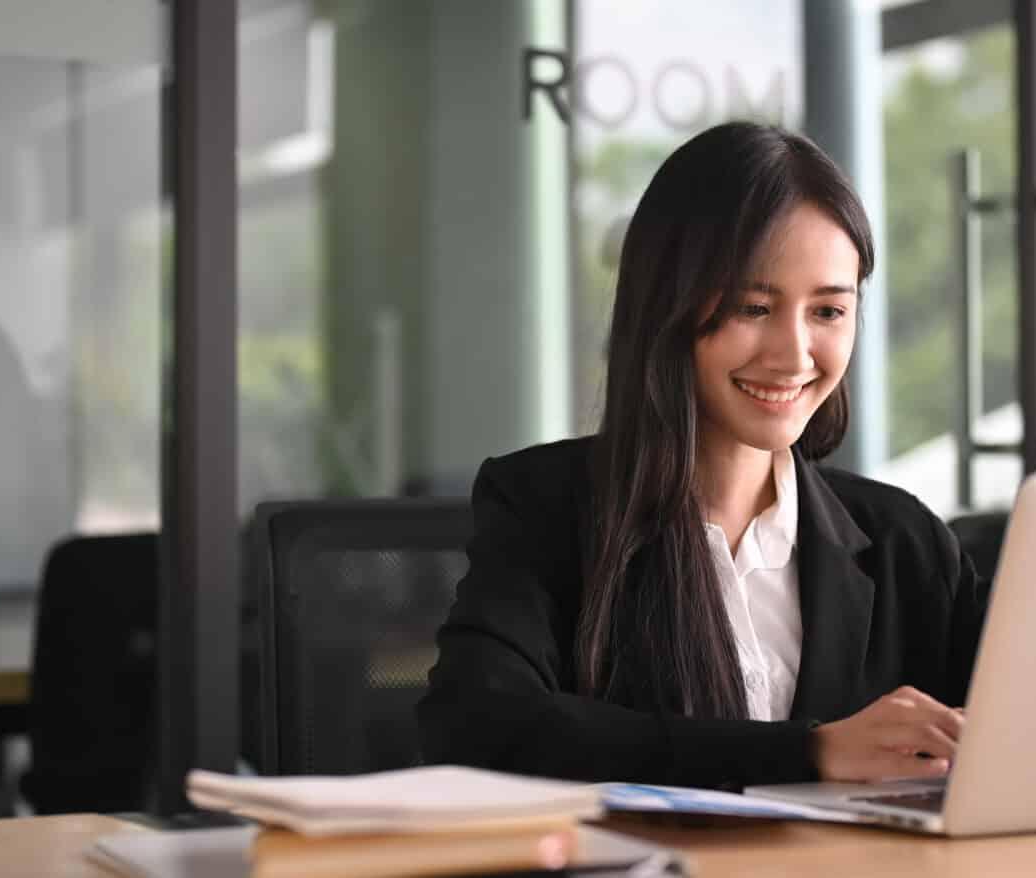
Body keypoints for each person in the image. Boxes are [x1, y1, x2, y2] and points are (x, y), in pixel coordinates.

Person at [417, 121, 987, 790]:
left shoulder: (906, 542)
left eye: (828, 312)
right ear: (669, 307)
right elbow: (476, 728)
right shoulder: (544, 507)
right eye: (754, 307)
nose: (794, 355)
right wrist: (808, 753)